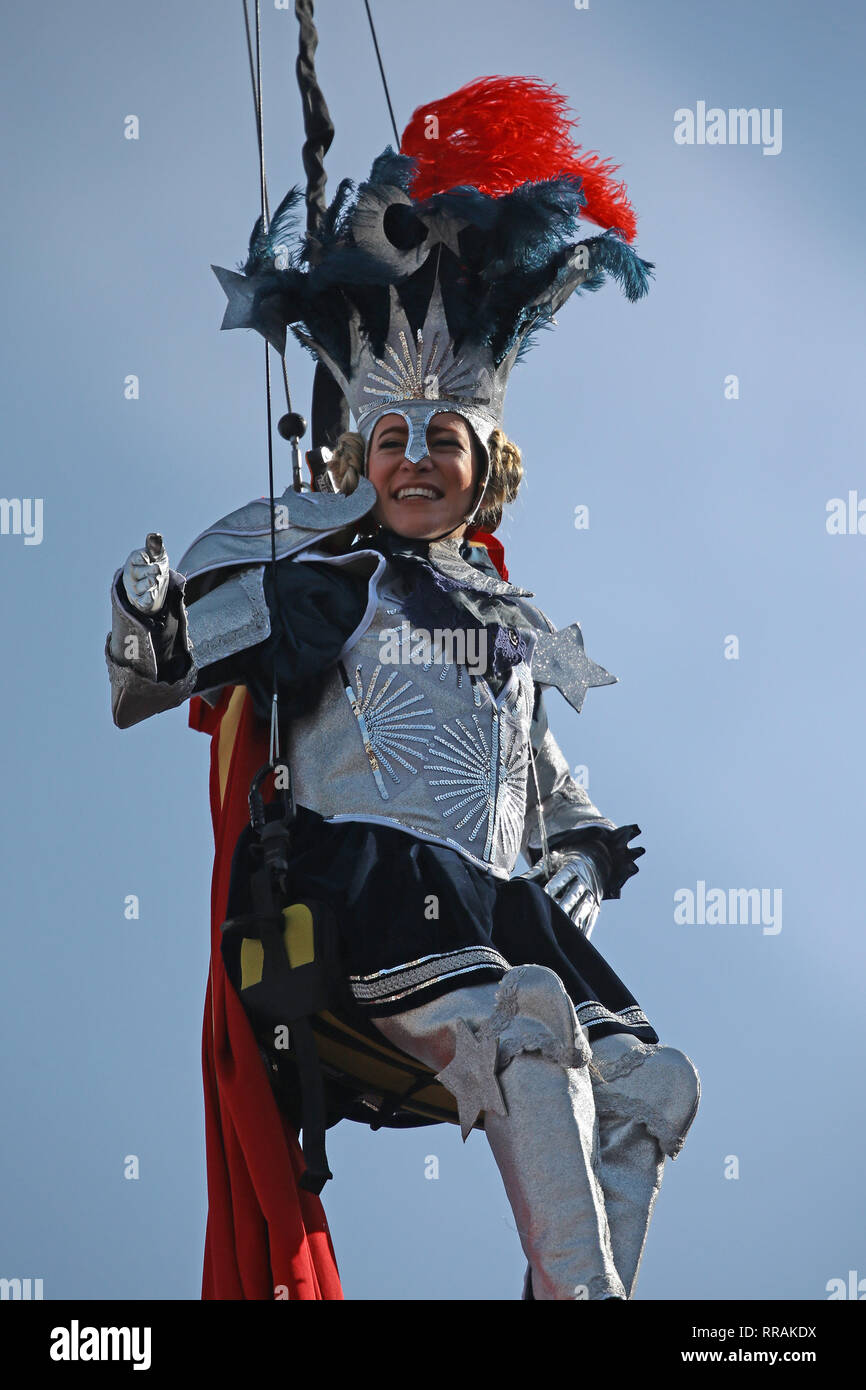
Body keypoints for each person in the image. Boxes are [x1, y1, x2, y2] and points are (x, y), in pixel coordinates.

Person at [105, 76, 700, 1300]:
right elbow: (147, 677)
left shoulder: (505, 625)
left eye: (443, 440)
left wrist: (580, 857)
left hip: (490, 907)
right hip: (363, 891)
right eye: (393, 438)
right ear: (356, 457)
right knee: (527, 1008)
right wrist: (150, 604)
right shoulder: (321, 574)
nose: (416, 458)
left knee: (652, 1080)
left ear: (484, 469)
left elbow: (553, 799)